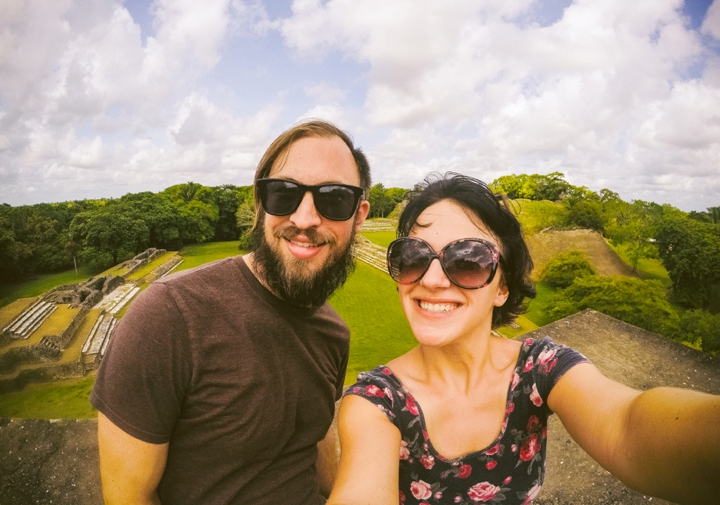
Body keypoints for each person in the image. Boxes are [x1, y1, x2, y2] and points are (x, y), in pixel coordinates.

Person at [327, 173, 720, 505]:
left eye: (467, 260)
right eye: (413, 256)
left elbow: (626, 426)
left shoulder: (540, 369)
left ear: (502, 288)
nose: (431, 279)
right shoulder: (375, 402)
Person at [91, 120, 371, 504]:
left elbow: (316, 447)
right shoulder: (169, 316)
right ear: (260, 205)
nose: (305, 219)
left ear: (359, 216)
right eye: (283, 194)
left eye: (335, 198)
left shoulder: (334, 332)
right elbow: (128, 498)